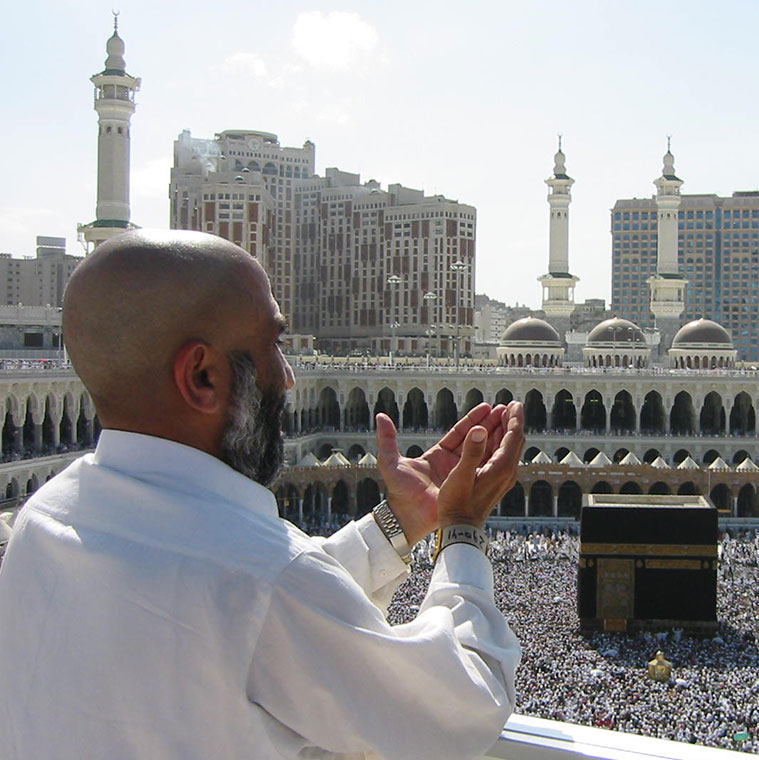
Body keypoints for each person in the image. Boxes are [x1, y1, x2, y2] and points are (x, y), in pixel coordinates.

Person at [0, 230, 524, 759]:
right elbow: (462, 710)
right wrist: (460, 527)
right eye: (273, 344)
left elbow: (248, 603)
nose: (290, 376)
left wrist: (399, 522)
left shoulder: (41, 520)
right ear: (202, 376)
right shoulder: (259, 582)